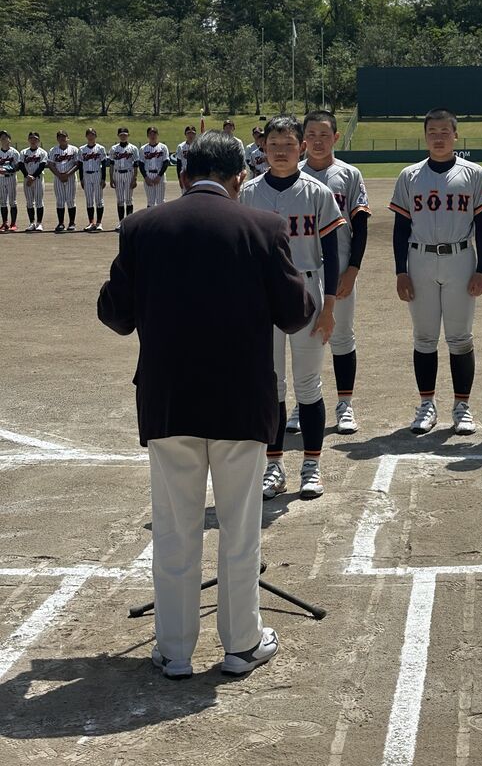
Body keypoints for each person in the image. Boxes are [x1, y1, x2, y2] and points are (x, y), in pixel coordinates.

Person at [97, 131, 314, 679]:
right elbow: (295, 314)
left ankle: (174, 650)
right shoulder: (264, 226)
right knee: (239, 528)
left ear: (182, 175)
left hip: (170, 398)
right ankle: (242, 643)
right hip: (241, 399)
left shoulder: (142, 227)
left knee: (174, 529)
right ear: (240, 177)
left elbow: (114, 314)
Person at [239, 117, 344, 501]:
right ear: (263, 148)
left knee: (308, 384)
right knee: (271, 386)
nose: (280, 151)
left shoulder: (318, 192)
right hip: (261, 295)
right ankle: (274, 466)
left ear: (301, 147)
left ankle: (312, 466)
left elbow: (332, 254)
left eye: (288, 144)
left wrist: (329, 306)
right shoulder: (248, 194)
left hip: (306, 288)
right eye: (273, 144)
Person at [389, 108, 482, 436]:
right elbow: (400, 227)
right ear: (425, 136)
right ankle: (427, 404)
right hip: (419, 259)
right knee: (424, 337)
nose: (438, 137)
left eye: (444, 131)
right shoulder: (409, 175)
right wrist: (400, 271)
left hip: (460, 258)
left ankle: (462, 407)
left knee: (460, 338)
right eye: (432, 131)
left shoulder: (474, 173)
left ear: (455, 135)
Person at [301, 110, 371, 435]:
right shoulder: (292, 174)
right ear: (303, 139)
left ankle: (345, 404)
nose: (318, 141)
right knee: (303, 337)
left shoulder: (349, 174)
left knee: (342, 335)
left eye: (324, 135)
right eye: (311, 135)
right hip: (302, 267)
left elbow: (361, 225)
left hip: (340, 265)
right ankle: (304, 402)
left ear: (336, 138)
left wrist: (353, 269)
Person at [109, 127, 141, 231]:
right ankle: (121, 222)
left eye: (125, 135)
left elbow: (136, 164)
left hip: (129, 174)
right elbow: (111, 164)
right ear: (118, 136)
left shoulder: (133, 148)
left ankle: (129, 223)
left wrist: (135, 178)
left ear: (128, 135)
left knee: (128, 199)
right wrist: (111, 178)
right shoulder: (114, 149)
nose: (123, 136)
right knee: (120, 200)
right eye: (121, 135)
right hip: (117, 174)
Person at [48, 130, 80, 233]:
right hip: (58, 178)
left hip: (71, 177)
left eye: (64, 136)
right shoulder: (53, 150)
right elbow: (51, 164)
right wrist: (59, 175)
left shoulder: (74, 149)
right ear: (57, 139)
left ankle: (72, 223)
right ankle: (61, 223)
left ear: (68, 138)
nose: (62, 138)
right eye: (60, 137)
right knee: (60, 201)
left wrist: (67, 174)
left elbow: (77, 164)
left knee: (71, 200)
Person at [77, 128, 107, 231]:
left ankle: (99, 223)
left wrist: (103, 178)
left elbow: (104, 164)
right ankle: (91, 222)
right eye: (89, 134)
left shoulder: (100, 148)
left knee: (99, 200)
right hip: (86, 175)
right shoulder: (82, 149)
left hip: (97, 174)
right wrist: (81, 178)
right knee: (89, 200)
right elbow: (80, 165)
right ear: (86, 136)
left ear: (95, 136)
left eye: (92, 134)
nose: (91, 136)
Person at [20, 132, 48, 231]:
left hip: (38, 179)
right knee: (29, 202)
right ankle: (32, 223)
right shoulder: (23, 152)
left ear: (38, 140)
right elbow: (21, 165)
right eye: (31, 138)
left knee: (39, 202)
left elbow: (42, 166)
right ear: (28, 140)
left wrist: (33, 177)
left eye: (35, 139)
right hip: (27, 179)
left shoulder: (42, 152)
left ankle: (39, 223)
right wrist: (27, 176)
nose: (33, 140)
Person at [139, 127, 171, 207]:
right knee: (150, 202)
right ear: (147, 135)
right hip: (148, 175)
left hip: (160, 175)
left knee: (160, 201)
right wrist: (145, 177)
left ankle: (161, 216)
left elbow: (166, 162)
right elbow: (141, 164)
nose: (152, 136)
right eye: (150, 134)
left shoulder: (163, 147)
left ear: (157, 135)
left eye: (154, 133)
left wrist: (159, 176)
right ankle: (150, 216)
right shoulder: (143, 149)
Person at [0, 131, 20, 232]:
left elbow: (18, 166)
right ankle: (5, 223)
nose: (3, 139)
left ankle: (13, 223)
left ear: (9, 140)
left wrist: (9, 169)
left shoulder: (14, 152)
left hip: (11, 178)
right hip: (0, 178)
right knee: (2, 202)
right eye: (1, 137)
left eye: (5, 137)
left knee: (12, 201)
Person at [175, 125, 196, 191]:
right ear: (185, 134)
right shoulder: (181, 147)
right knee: (185, 194)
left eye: (192, 133)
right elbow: (179, 163)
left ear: (195, 134)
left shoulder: (199, 146)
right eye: (188, 133)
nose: (190, 135)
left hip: (196, 175)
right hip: (185, 175)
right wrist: (179, 178)